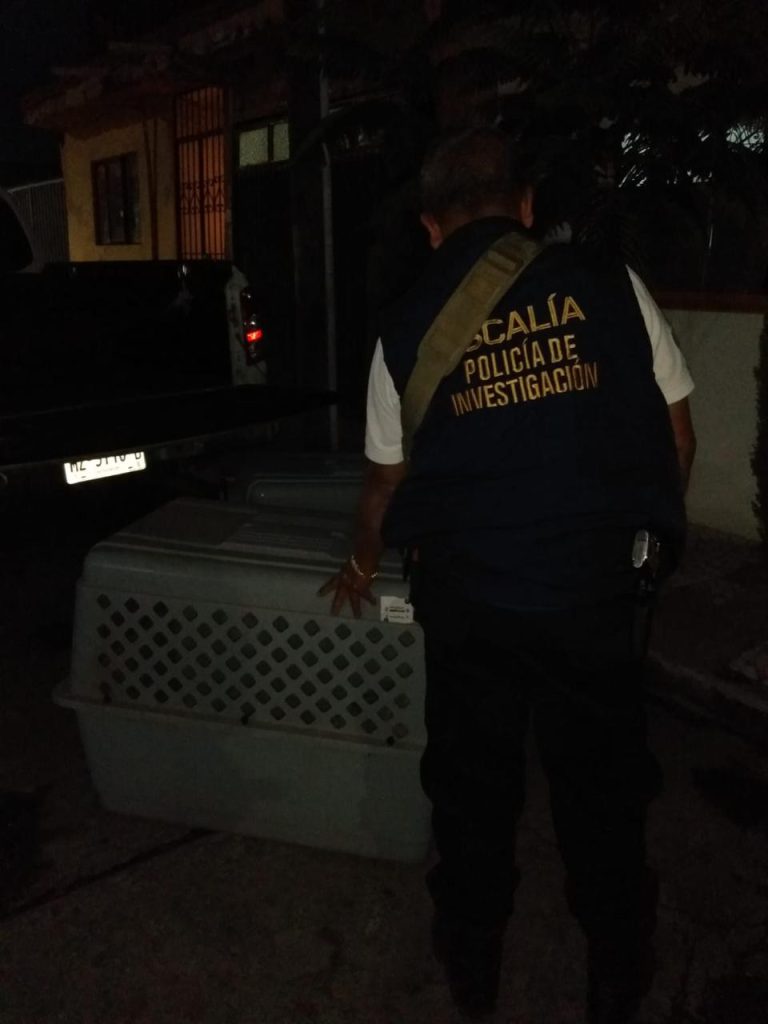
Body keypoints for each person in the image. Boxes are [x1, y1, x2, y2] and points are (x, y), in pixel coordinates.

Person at [320, 127, 696, 1024]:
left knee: (472, 793)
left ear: (430, 226)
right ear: (525, 206)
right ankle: (617, 972)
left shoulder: (402, 330)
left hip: (471, 606)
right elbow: (676, 441)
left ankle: (472, 963)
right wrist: (634, 546)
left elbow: (384, 488)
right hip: (589, 598)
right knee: (602, 794)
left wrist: (360, 562)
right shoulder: (612, 284)